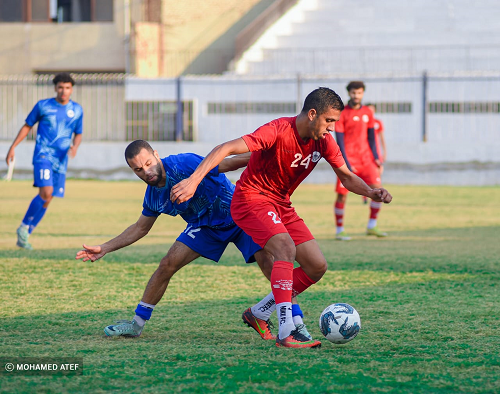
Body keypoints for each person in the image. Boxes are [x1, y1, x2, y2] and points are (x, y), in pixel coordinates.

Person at [170, 87, 393, 348]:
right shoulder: (277, 130)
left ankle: (259, 312)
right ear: (312, 114)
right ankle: (287, 330)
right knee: (285, 248)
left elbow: (345, 176)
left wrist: (370, 191)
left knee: (316, 266)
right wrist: (193, 181)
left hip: (281, 204)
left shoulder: (324, 141)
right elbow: (227, 148)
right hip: (250, 199)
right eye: (329, 120)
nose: (332, 128)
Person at [75, 140, 312, 340]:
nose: (146, 171)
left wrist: (266, 157)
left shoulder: (183, 163)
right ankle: (136, 324)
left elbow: (227, 163)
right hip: (205, 227)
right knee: (167, 264)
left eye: (148, 163)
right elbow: (139, 228)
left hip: (239, 214)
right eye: (138, 169)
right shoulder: (153, 197)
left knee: (269, 262)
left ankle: (296, 323)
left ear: (156, 155)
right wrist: (105, 247)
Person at [6, 73, 83, 250]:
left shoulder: (77, 110)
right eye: (61, 87)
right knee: (46, 192)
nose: (64, 91)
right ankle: (24, 227)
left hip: (61, 160)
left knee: (48, 199)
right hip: (43, 155)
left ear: (72, 89)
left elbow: (78, 132)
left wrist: (75, 146)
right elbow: (27, 126)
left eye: (68, 87)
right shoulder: (43, 106)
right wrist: (13, 146)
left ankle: (25, 232)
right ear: (55, 88)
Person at [333, 81, 387, 241]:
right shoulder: (341, 113)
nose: (356, 96)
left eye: (359, 93)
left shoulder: (368, 113)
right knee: (342, 196)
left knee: (378, 190)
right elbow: (339, 140)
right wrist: (345, 163)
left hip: (366, 159)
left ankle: (372, 225)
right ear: (349, 93)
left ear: (363, 93)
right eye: (353, 93)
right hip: (348, 160)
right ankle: (340, 229)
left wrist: (377, 157)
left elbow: (371, 138)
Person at [361, 103, 387, 204]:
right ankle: (365, 195)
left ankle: (373, 196)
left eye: (372, 110)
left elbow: (381, 138)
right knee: (363, 176)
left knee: (376, 177)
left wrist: (384, 151)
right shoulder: (362, 122)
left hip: (376, 154)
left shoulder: (378, 122)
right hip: (364, 154)